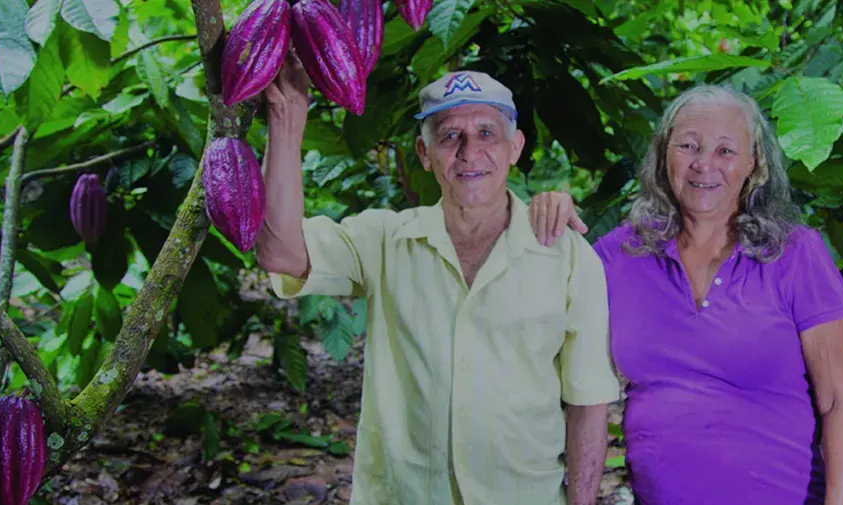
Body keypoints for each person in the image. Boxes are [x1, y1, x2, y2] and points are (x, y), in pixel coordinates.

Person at [255, 59, 619, 505]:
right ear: (425, 154)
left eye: (487, 133)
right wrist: (286, 119)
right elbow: (281, 253)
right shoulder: (384, 240)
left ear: (515, 146)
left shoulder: (565, 255)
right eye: (450, 136)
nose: (469, 152)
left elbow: (589, 401)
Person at [528, 84, 843, 504]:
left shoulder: (795, 254)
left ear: (754, 163)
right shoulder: (620, 254)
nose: (704, 164)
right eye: (689, 145)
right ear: (663, 154)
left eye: (725, 151)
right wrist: (544, 215)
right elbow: (531, 313)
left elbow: (840, 400)